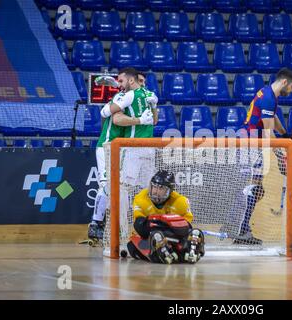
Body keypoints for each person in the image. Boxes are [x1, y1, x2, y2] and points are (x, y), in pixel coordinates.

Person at [87, 68, 158, 243]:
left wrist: (154, 107)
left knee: (142, 187)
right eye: (139, 81)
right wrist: (140, 120)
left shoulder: (143, 97)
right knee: (109, 186)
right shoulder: (124, 97)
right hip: (108, 145)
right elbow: (111, 116)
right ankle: (97, 224)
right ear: (133, 81)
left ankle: (145, 226)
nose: (141, 85)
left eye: (143, 82)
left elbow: (154, 120)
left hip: (127, 147)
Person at [229, 67, 292, 245]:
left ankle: (242, 229)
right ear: (284, 82)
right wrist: (281, 154)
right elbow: (268, 133)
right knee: (254, 189)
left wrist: (284, 134)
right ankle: (240, 229)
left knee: (256, 189)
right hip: (252, 143)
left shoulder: (267, 93)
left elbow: (272, 120)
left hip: (253, 142)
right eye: (291, 87)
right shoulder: (268, 98)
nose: (291, 91)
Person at [127, 170, 205, 264]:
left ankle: (184, 253)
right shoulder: (140, 198)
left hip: (173, 236)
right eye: (154, 187)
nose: (156, 191)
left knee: (189, 235)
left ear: (169, 191)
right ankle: (175, 254)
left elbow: (186, 228)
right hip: (150, 234)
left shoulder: (180, 201)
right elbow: (140, 227)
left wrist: (163, 226)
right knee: (131, 246)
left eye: (161, 188)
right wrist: (165, 223)